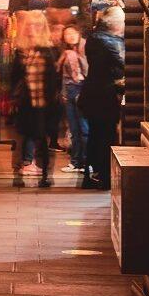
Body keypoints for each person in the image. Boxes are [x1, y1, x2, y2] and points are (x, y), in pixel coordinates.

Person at [9, 10, 61, 188]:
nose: (33, 28)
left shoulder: (49, 50)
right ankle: (18, 174)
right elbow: (14, 77)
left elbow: (54, 79)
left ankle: (45, 174)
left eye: (37, 25)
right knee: (22, 139)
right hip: (25, 102)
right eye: (30, 24)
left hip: (45, 104)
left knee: (42, 140)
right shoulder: (21, 50)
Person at [81, 7, 125, 190]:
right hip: (103, 98)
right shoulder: (107, 41)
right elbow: (122, 62)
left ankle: (92, 176)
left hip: (95, 96)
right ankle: (102, 177)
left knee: (96, 136)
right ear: (116, 24)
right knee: (104, 137)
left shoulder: (97, 38)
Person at [58, 24, 89, 174]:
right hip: (69, 91)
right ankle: (75, 162)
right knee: (74, 129)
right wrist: (64, 94)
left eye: (72, 33)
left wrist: (76, 57)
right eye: (66, 34)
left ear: (79, 33)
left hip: (82, 89)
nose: (69, 36)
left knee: (84, 128)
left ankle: (87, 162)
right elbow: (64, 75)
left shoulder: (85, 47)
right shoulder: (68, 51)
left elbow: (88, 70)